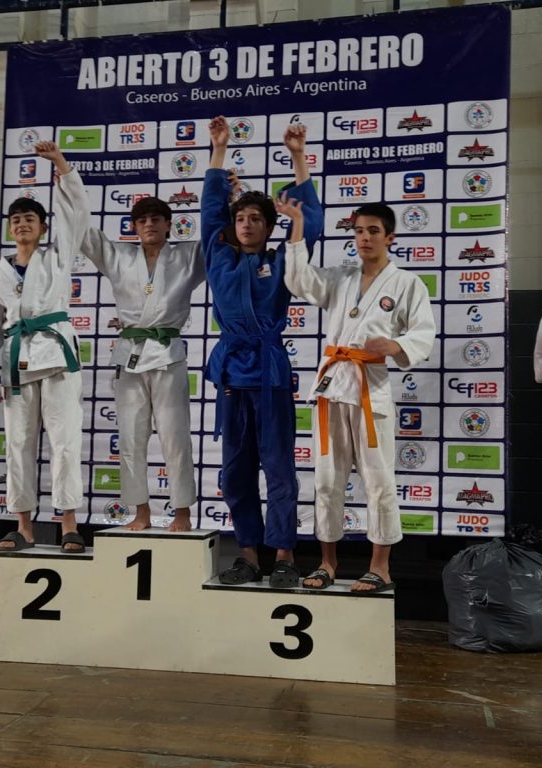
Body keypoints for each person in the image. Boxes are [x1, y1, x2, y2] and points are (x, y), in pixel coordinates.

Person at [282, 201, 436, 592]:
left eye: (373, 231)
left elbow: (423, 332)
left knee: (379, 482)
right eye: (359, 231)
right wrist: (297, 226)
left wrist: (396, 345)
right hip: (332, 387)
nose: (364, 238)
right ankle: (327, 563)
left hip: (371, 390)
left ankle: (380, 568)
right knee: (326, 481)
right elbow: (299, 281)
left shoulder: (407, 283)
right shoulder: (341, 278)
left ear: (390, 237)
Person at [202, 116, 322, 587]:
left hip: (269, 374)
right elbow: (211, 210)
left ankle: (285, 555)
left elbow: (309, 226)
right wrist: (219, 150)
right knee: (235, 471)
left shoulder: (282, 260)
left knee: (279, 469)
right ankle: (249, 554)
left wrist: (297, 158)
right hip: (233, 374)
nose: (246, 224)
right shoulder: (219, 257)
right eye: (241, 219)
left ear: (270, 227)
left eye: (256, 219)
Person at [0, 141, 90, 553]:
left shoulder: (58, 256)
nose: (22, 224)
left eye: (30, 219)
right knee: (19, 444)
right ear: (10, 229)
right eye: (16, 220)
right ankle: (23, 526)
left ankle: (69, 524)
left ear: (42, 227)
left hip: (57, 359)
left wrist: (60, 163)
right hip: (15, 362)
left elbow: (77, 212)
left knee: (65, 441)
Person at [79, 196, 204, 532]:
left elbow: (220, 238)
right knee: (131, 439)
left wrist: (225, 194)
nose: (149, 224)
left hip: (168, 356)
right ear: (134, 226)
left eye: (156, 219)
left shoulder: (188, 256)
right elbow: (84, 233)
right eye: (143, 220)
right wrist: (67, 181)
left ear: (169, 225)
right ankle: (141, 511)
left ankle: (182, 512)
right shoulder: (118, 256)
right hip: (130, 355)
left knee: (175, 437)